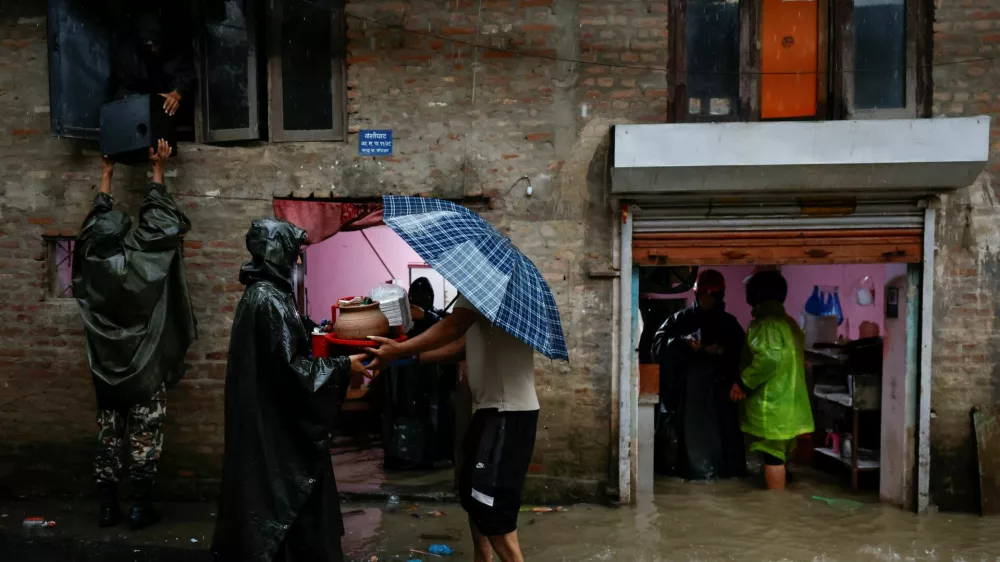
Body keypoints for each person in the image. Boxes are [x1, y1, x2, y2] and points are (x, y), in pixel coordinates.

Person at [211, 219, 370, 562]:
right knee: (287, 512)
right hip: (276, 433)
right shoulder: (267, 300)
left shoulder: (268, 296)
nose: (298, 262)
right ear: (276, 253)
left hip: (270, 423)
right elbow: (290, 373)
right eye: (294, 253)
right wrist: (344, 367)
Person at [72, 139, 197, 529]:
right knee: (146, 437)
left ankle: (108, 508)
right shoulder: (146, 256)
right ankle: (140, 508)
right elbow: (161, 223)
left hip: (107, 370)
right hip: (146, 370)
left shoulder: (92, 263)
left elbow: (93, 227)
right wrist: (157, 169)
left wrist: (106, 174)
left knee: (109, 436)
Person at [368, 294, 537, 562]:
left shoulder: (486, 284)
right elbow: (464, 346)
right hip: (492, 411)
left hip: (506, 413)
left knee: (494, 513)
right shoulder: (488, 292)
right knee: (474, 497)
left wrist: (399, 349)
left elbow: (452, 327)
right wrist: (408, 360)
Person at [650, 269, 746, 480]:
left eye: (714, 296)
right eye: (705, 295)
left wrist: (722, 353)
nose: (708, 300)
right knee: (690, 443)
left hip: (721, 393)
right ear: (697, 294)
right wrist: (683, 344)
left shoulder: (729, 324)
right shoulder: (678, 321)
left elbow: (744, 355)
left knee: (724, 444)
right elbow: (659, 350)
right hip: (688, 394)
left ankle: (726, 475)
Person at [729, 269, 815, 490]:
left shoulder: (764, 324)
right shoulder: (790, 323)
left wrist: (743, 382)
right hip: (791, 405)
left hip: (772, 406)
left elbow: (769, 358)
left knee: (772, 457)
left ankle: (775, 511)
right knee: (780, 455)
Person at [108, 10, 194, 117]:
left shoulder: (173, 51)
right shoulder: (128, 55)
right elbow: (123, 90)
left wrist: (177, 93)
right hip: (133, 111)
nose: (154, 49)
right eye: (149, 44)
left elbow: (185, 75)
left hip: (167, 114)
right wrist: (148, 99)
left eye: (157, 44)